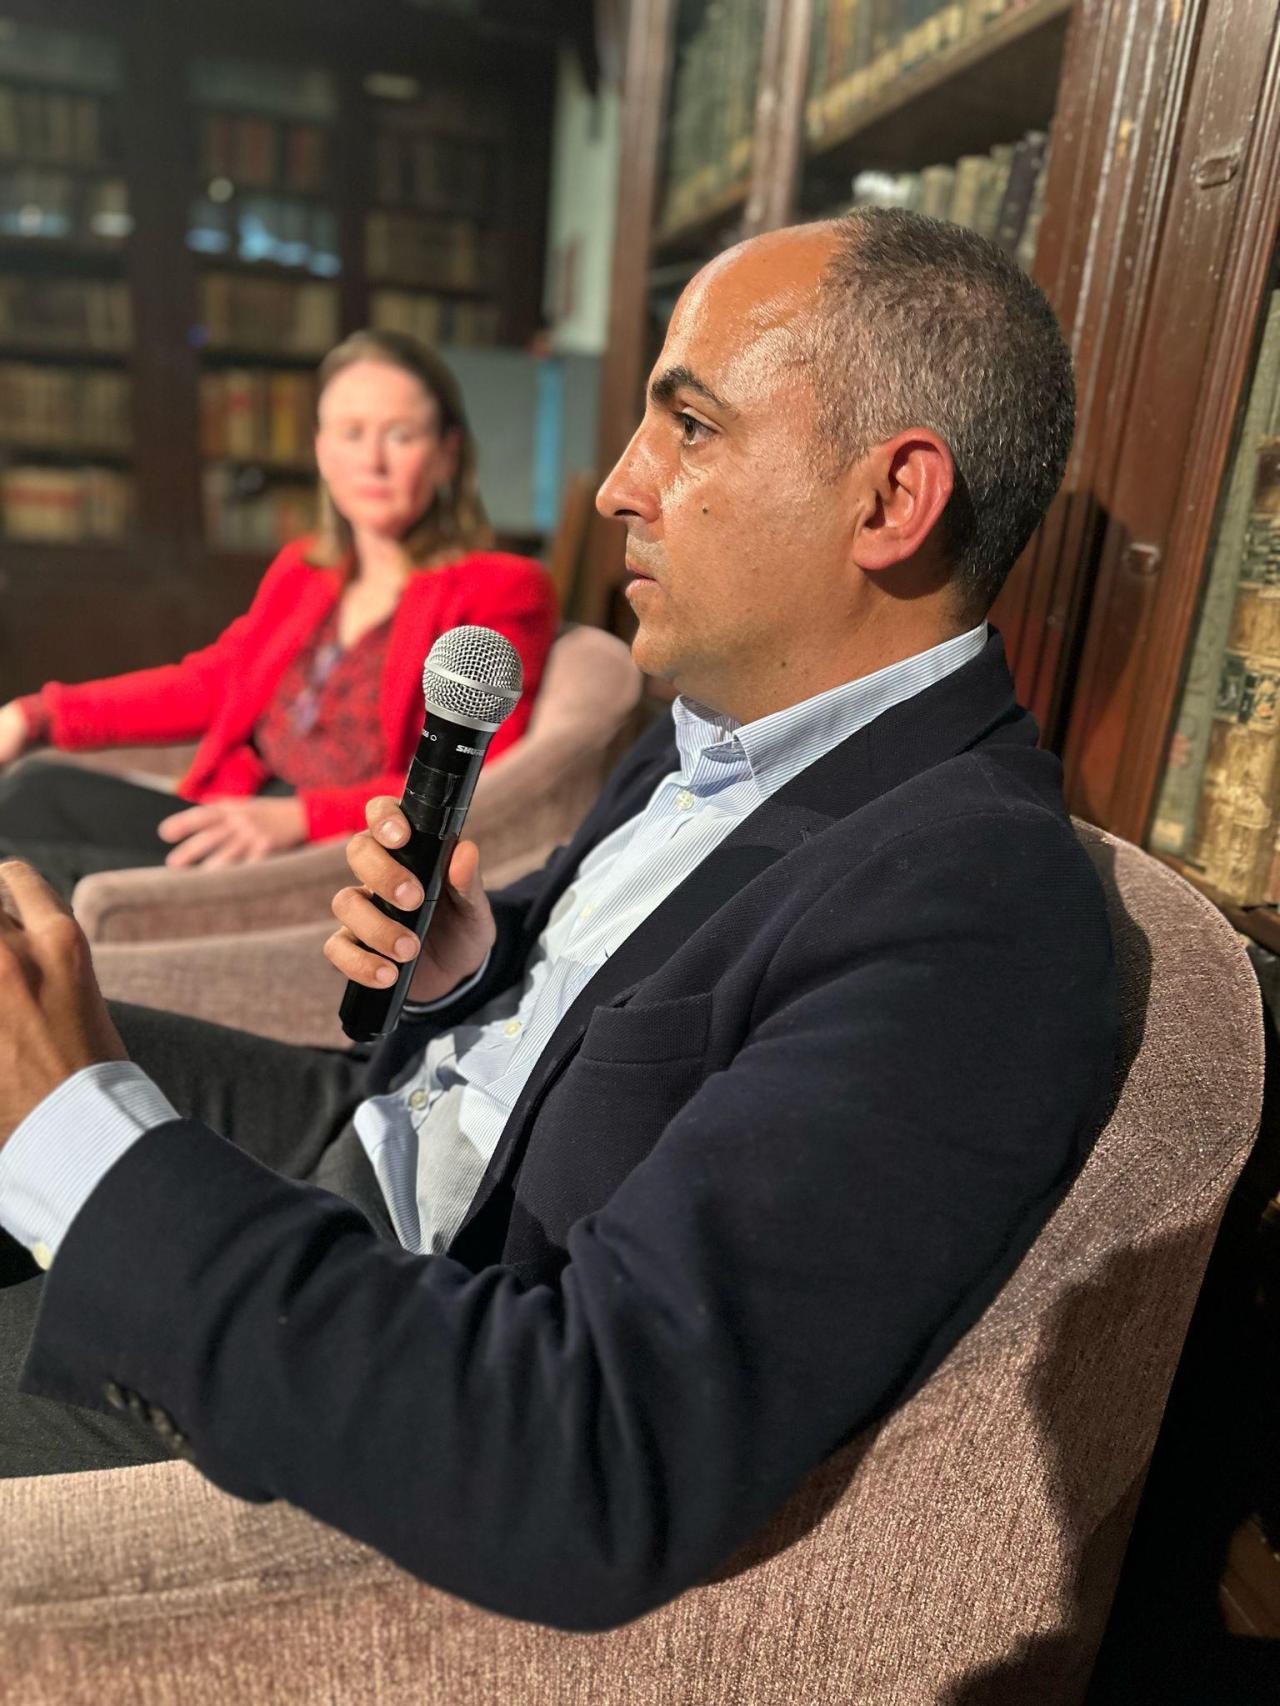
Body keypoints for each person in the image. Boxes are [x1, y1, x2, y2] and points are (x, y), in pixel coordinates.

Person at [0, 210, 1117, 1631]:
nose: (617, 489)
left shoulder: (975, 904)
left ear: (890, 502)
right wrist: (470, 967)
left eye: (691, 427)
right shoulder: (716, 720)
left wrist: (77, 1140)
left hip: (405, 1315)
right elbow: (596, 993)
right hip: (368, 1132)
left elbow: (588, 1456)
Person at [0, 329, 557, 896]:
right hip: (233, 811)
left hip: (323, 852)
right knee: (31, 789)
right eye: (351, 433)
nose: (372, 460)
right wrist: (39, 716)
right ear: (321, 449)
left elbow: (481, 771)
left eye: (400, 435)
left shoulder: (502, 587)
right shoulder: (304, 571)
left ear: (446, 454)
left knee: (26, 832)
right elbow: (210, 683)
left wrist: (301, 818)